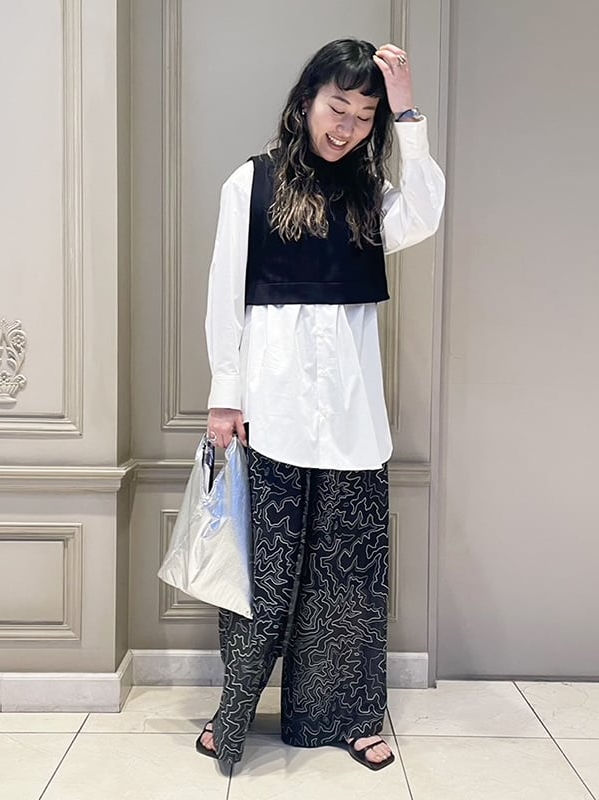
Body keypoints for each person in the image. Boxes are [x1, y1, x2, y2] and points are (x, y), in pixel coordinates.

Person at [197, 38, 445, 771]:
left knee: (348, 581)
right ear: (306, 100)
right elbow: (223, 294)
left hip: (352, 420)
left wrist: (408, 113)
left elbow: (426, 212)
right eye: (339, 108)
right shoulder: (251, 182)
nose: (348, 127)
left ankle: (343, 719)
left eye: (366, 117)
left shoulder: (372, 196)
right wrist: (224, 398)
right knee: (260, 581)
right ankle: (232, 715)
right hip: (268, 413)